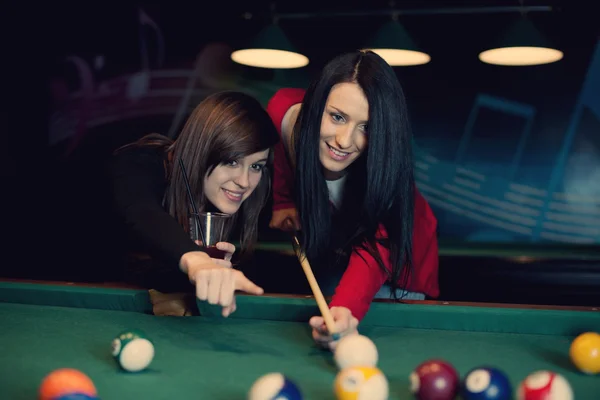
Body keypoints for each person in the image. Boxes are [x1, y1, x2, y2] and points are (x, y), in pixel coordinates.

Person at [266, 50, 439, 349]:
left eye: (367, 128)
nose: (345, 141)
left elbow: (374, 251)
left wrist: (345, 310)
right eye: (337, 117)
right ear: (315, 106)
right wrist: (283, 200)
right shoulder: (285, 116)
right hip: (339, 248)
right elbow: (282, 147)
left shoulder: (385, 175)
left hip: (398, 267)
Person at [107, 91, 280, 317]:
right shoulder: (139, 162)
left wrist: (210, 270)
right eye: (231, 161)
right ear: (203, 149)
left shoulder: (235, 198)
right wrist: (197, 260)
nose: (244, 182)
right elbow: (143, 213)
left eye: (256, 166)